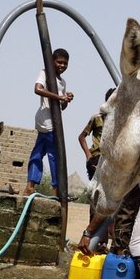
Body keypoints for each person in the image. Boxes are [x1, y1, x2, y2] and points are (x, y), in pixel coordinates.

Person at [26, 48, 73, 195]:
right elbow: (37, 89)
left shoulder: (62, 82)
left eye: (65, 63)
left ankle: (32, 185)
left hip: (52, 123)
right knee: (53, 156)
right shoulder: (45, 73)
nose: (62, 66)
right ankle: (53, 188)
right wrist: (60, 97)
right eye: (59, 62)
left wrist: (66, 99)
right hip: (46, 122)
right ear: (52, 61)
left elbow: (61, 107)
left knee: (38, 153)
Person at [78, 88, 113, 181]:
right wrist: (88, 156)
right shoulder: (97, 118)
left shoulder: (118, 122)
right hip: (97, 157)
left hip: (110, 160)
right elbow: (81, 137)